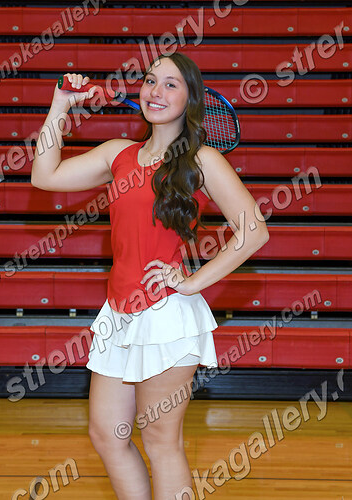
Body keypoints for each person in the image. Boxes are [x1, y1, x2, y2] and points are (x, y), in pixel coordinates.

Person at [31, 52, 269, 500]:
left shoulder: (201, 160)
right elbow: (45, 176)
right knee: (107, 435)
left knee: (160, 441)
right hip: (118, 313)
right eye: (149, 81)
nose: (155, 91)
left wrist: (193, 282)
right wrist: (60, 105)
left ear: (191, 99)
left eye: (170, 84)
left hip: (166, 316)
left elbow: (254, 230)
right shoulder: (118, 154)